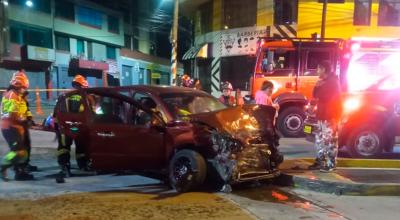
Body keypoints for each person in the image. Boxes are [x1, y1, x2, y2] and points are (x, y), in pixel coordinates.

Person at [308, 61, 342, 172]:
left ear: (324, 69)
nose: (317, 71)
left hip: (330, 116)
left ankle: (331, 164)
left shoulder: (332, 82)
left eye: (318, 69)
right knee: (320, 140)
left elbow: (323, 97)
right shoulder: (324, 81)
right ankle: (320, 161)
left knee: (329, 140)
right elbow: (315, 95)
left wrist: (318, 87)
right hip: (322, 115)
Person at [0, 74, 34, 181]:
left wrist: (29, 119)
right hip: (10, 128)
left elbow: (23, 110)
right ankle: (3, 165)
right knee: (17, 152)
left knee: (23, 152)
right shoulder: (12, 96)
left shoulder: (18, 96)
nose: (24, 90)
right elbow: (12, 114)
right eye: (23, 87)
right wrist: (25, 120)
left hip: (17, 127)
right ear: (17, 85)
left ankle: (20, 172)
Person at [55, 74, 89, 177]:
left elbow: (56, 112)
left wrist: (57, 126)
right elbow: (86, 113)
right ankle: (83, 165)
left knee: (64, 148)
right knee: (81, 146)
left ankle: (64, 167)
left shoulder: (64, 95)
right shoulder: (83, 97)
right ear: (82, 86)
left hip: (64, 127)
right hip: (78, 127)